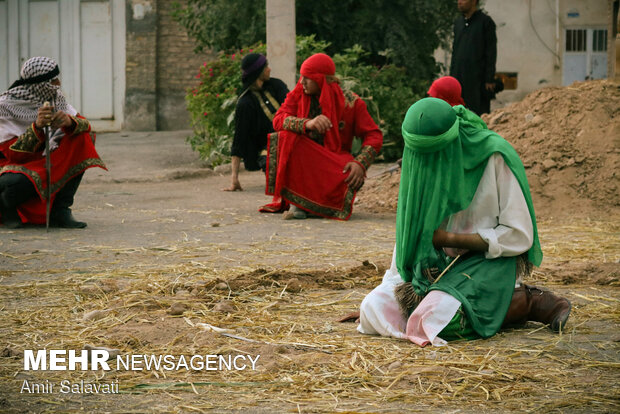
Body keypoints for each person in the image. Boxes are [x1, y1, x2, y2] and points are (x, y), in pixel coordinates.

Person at [357, 97, 571, 346]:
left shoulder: (494, 157)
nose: (424, 163)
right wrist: (395, 283)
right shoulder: (420, 162)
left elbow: (520, 235)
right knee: (373, 310)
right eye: (418, 155)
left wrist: (451, 239)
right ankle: (470, 305)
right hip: (438, 265)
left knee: (438, 321)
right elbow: (410, 231)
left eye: (430, 154)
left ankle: (525, 301)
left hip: (486, 261)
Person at [260, 53, 382, 220]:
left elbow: (374, 135)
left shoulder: (352, 103)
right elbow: (278, 120)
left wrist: (360, 164)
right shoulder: (299, 93)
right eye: (301, 77)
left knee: (349, 174)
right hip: (306, 163)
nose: (301, 82)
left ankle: (313, 205)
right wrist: (306, 124)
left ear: (321, 80)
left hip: (334, 161)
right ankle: (299, 203)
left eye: (307, 78)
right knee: (286, 137)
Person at [0, 56, 106, 229]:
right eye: (53, 80)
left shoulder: (56, 98)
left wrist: (69, 122)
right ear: (40, 84)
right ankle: (6, 205)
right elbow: (13, 154)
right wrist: (37, 127)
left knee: (82, 138)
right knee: (15, 183)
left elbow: (86, 126)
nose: (58, 84)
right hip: (13, 165)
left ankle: (61, 210)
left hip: (46, 160)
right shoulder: (5, 106)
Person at [223, 53, 289, 192]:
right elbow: (239, 139)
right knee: (271, 166)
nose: (269, 69)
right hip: (269, 148)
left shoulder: (277, 85)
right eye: (265, 66)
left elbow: (294, 106)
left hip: (291, 135)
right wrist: (234, 178)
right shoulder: (245, 103)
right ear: (257, 71)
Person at [449, 0, 497, 115]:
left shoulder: (485, 22)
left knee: (476, 114)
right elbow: (455, 52)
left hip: (477, 80)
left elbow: (491, 52)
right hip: (458, 77)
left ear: (474, 1)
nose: (459, 2)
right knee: (458, 114)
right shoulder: (458, 23)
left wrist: (489, 78)